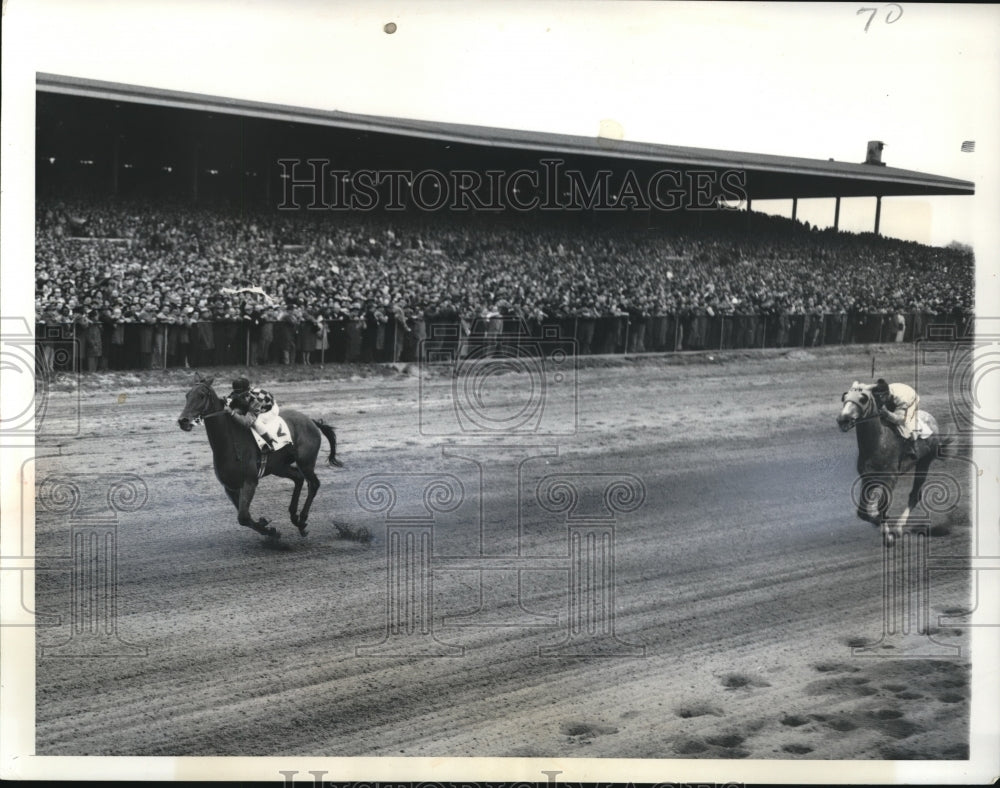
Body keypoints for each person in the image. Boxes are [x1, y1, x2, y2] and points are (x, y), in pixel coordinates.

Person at [872, 378, 927, 459]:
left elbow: (900, 420)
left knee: (905, 423)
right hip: (896, 395)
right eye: (875, 397)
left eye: (879, 397)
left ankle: (911, 446)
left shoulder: (902, 400)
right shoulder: (883, 395)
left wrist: (887, 414)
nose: (877, 400)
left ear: (886, 395)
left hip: (910, 399)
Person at [224, 377, 281, 453]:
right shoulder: (236, 394)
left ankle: (269, 442)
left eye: (240, 394)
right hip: (251, 406)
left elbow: (247, 422)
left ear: (247, 392)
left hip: (269, 410)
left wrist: (232, 412)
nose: (237, 396)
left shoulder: (256, 400)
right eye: (236, 394)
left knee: (256, 423)